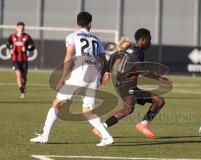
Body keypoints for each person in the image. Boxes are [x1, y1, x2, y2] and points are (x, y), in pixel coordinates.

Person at [30, 12, 113, 146]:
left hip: (82, 71)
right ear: (90, 24)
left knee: (57, 102)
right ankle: (107, 137)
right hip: (95, 73)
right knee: (87, 109)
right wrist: (105, 74)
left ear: (77, 24)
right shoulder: (97, 39)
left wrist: (63, 77)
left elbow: (69, 57)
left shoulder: (73, 36)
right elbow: (104, 60)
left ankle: (45, 136)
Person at [93, 28, 172, 139]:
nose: (150, 42)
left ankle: (143, 124)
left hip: (127, 84)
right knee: (130, 109)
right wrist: (158, 78)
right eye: (149, 40)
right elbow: (140, 69)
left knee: (157, 101)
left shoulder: (130, 48)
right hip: (126, 84)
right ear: (143, 39)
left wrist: (107, 71)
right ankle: (101, 128)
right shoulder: (138, 52)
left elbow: (113, 56)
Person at [6, 22, 35, 98]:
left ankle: (24, 86)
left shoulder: (27, 37)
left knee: (24, 77)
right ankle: (22, 92)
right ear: (17, 28)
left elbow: (33, 46)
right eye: (19, 28)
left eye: (22, 28)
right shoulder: (12, 37)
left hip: (24, 59)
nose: (21, 30)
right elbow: (8, 45)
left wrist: (26, 48)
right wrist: (10, 49)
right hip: (15, 59)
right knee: (18, 74)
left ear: (24, 29)